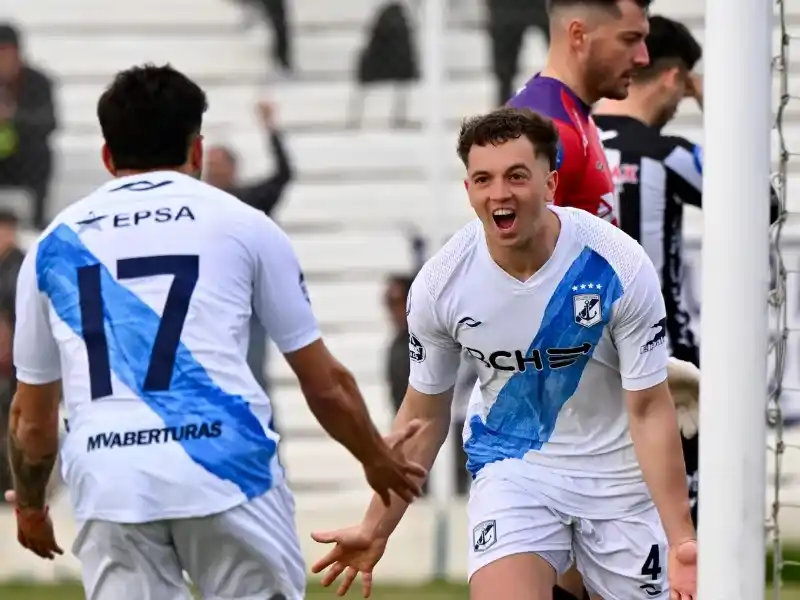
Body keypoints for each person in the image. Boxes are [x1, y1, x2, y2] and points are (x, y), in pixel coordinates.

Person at [3, 63, 427, 600]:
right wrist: (373, 456)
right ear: (197, 151)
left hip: (112, 479)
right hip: (228, 469)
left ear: (108, 156)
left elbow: (31, 419)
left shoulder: (51, 246)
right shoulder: (244, 224)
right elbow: (326, 384)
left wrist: (32, 506)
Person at [309, 108, 696, 600]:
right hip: (515, 470)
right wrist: (375, 526)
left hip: (618, 480)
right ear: (468, 189)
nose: (499, 194)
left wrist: (682, 540)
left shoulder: (616, 263)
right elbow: (423, 418)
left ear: (550, 184)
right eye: (483, 179)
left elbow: (648, 408)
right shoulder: (441, 284)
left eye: (516, 176)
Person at [507, 0, 651, 225]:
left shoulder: (569, 111)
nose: (643, 58)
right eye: (629, 39)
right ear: (578, 35)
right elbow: (521, 245)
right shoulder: (548, 130)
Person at [0, 23, 58, 229]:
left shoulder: (37, 81)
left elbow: (49, 122)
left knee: (42, 153)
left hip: (21, 157)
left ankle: (36, 220)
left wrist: (13, 116)